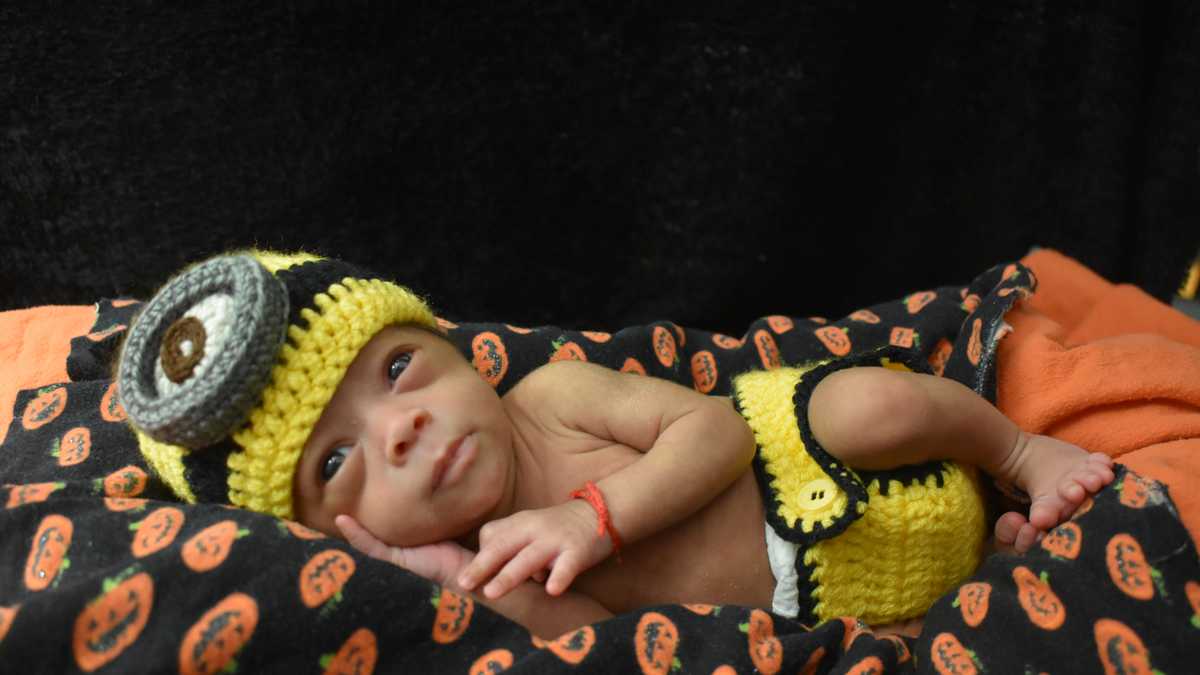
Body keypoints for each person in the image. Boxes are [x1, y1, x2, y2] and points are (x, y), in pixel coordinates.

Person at [118, 251, 1114, 639]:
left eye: (396, 371)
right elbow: (576, 645)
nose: (403, 428)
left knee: (874, 405)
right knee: (896, 644)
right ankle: (997, 552)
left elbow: (712, 430)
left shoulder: (549, 397)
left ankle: (1019, 456)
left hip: (799, 455)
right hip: (823, 596)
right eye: (337, 461)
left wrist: (595, 514)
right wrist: (437, 580)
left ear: (454, 347)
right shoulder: (497, 575)